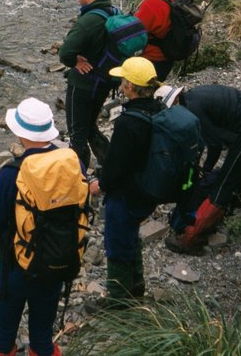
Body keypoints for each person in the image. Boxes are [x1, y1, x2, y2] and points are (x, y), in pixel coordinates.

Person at [0, 97, 73, 356]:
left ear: (19, 132)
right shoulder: (72, 165)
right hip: (58, 260)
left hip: (16, 265)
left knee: (3, 335)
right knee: (42, 336)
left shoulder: (12, 173)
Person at [156, 84, 241, 255]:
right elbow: (221, 138)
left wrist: (206, 170)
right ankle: (231, 205)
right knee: (240, 168)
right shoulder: (197, 95)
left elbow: (214, 144)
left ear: (175, 101)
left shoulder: (192, 108)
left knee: (224, 182)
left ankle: (190, 239)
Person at [87, 56, 162, 308]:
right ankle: (136, 287)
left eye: (123, 80)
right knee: (131, 236)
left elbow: (116, 164)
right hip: (148, 190)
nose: (120, 83)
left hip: (127, 194)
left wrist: (101, 184)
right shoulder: (159, 110)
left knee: (117, 242)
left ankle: (118, 301)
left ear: (130, 86)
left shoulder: (129, 123)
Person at [57, 0, 115, 170]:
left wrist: (75, 62)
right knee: (90, 127)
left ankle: (78, 178)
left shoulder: (87, 22)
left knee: (77, 135)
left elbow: (65, 53)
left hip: (83, 85)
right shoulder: (113, 12)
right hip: (104, 82)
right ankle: (111, 168)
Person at [132, 0, 176, 81]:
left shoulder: (151, 5)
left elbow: (133, 33)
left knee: (143, 94)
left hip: (152, 60)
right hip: (167, 58)